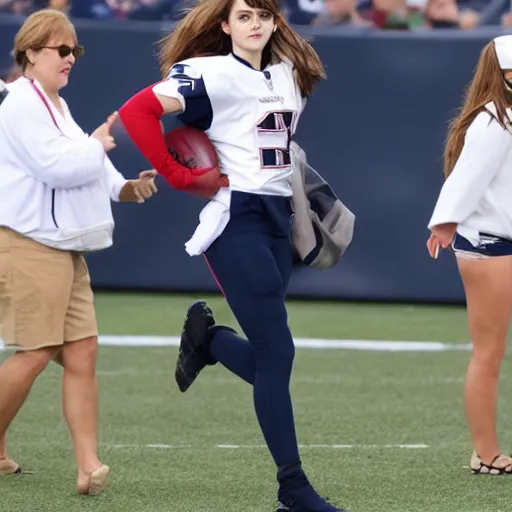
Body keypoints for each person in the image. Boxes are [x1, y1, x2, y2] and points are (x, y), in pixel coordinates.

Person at [118, 0, 346, 510]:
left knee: (272, 355)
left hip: (277, 218)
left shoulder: (291, 72)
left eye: (264, 14)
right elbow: (138, 111)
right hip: (236, 219)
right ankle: (293, 487)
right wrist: (177, 175)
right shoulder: (208, 73)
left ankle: (210, 340)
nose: (256, 23)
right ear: (225, 24)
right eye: (244, 15)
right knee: (278, 353)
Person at [0, 9, 157, 493]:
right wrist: (97, 145)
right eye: (61, 50)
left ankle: (88, 466)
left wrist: (126, 188)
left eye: (75, 51)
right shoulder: (20, 105)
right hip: (30, 244)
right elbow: (58, 167)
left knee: (82, 351)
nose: (71, 59)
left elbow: (83, 162)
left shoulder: (54, 103)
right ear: (29, 53)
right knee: (35, 351)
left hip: (64, 247)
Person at [427, 34, 512, 475]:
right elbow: (467, 177)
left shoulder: (503, 116)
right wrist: (446, 221)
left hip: (498, 242)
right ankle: (486, 452)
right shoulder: (495, 121)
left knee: (491, 351)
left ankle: (486, 451)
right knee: (489, 352)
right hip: (490, 245)